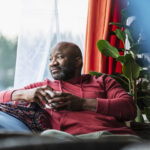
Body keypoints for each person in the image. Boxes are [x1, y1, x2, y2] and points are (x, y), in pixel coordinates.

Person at [0, 41, 140, 141]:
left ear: (77, 61)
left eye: (59, 57)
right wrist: (24, 94)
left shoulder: (103, 81)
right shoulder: (43, 87)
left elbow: (129, 108)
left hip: (116, 138)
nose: (52, 63)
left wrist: (82, 103)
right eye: (50, 59)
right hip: (72, 141)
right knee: (48, 136)